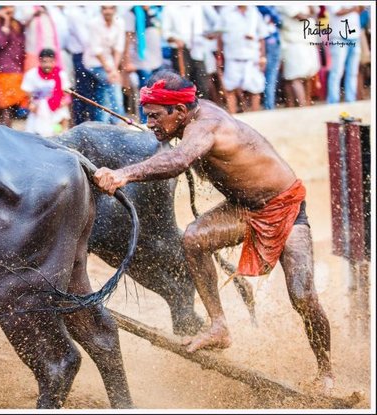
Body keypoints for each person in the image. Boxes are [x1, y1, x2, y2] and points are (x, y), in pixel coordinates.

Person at [92, 70, 334, 394]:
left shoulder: (206, 124)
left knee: (303, 296)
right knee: (193, 237)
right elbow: (179, 151)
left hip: (284, 207)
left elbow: (178, 160)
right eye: (147, 117)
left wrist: (123, 174)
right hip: (244, 208)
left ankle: (326, 370)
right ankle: (219, 325)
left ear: (178, 112)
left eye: (154, 117)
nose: (150, 123)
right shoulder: (186, 119)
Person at [217, 6, 267, 113]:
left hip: (252, 57)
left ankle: (256, 116)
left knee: (255, 89)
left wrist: (262, 56)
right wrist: (219, 57)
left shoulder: (254, 12)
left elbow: (262, 36)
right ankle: (233, 118)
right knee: (230, 88)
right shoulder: (225, 12)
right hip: (232, 57)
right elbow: (219, 36)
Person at [21, 48, 71, 137]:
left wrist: (61, 103)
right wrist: (32, 104)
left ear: (55, 61)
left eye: (50, 62)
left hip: (56, 108)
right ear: (39, 61)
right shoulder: (31, 74)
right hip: (38, 109)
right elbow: (27, 93)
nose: (47, 65)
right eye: (44, 62)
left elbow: (66, 93)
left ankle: (62, 137)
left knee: (64, 114)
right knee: (32, 134)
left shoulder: (61, 75)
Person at [0, 5, 27, 128]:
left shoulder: (18, 24)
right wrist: (6, 22)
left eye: (11, 7)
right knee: (5, 107)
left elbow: (22, 47)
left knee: (15, 107)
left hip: (19, 70)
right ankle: (5, 132)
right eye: (6, 7)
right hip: (5, 70)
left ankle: (13, 134)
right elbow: (0, 43)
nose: (9, 10)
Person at [326, 5, 364, 104]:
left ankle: (350, 100)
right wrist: (353, 8)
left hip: (355, 36)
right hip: (339, 37)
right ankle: (333, 102)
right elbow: (337, 11)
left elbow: (360, 10)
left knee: (353, 72)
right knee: (337, 71)